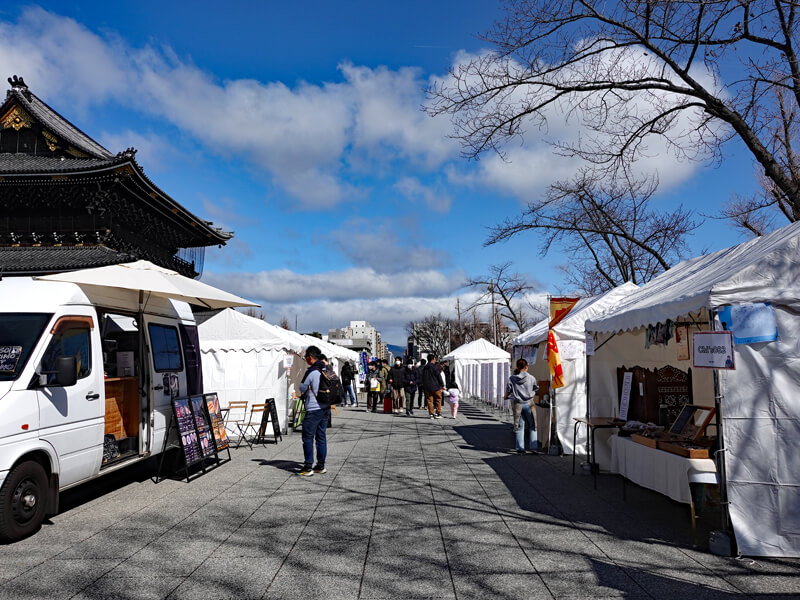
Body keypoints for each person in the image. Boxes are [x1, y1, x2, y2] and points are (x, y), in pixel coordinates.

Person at [297, 345, 332, 476]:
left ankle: (308, 467)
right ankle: (320, 466)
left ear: (310, 357)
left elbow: (302, 387)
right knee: (321, 437)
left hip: (313, 408)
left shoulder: (311, 372)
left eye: (306, 356)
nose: (305, 359)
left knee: (307, 437)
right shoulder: (326, 369)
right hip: (325, 407)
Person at [505, 358, 539, 454]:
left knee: (520, 426)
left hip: (518, 404)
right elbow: (536, 388)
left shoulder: (512, 378)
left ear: (517, 367)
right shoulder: (531, 378)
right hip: (529, 404)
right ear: (526, 367)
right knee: (533, 426)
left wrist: (506, 396)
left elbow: (508, 390)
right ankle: (533, 447)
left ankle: (520, 448)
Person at [422, 354, 445, 419]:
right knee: (438, 399)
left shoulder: (425, 368)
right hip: (436, 386)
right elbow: (438, 376)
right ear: (433, 359)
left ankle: (431, 414)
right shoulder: (435, 367)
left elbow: (423, 377)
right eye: (435, 358)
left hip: (427, 387)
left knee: (429, 401)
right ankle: (438, 413)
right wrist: (442, 384)